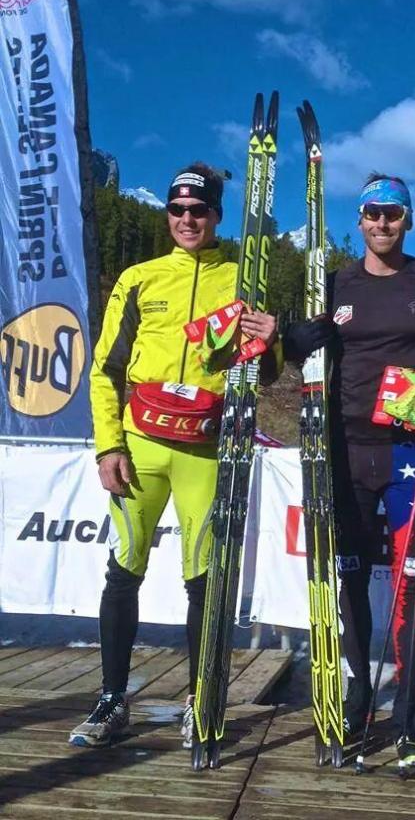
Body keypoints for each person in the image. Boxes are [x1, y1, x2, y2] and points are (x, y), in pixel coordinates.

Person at [69, 162, 280, 748]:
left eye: (199, 210)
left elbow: (266, 372)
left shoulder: (242, 279)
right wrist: (108, 445)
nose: (187, 219)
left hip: (205, 449)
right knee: (124, 568)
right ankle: (112, 701)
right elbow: (106, 370)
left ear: (216, 216)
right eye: (177, 209)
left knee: (203, 578)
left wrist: (270, 340)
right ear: (168, 214)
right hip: (141, 444)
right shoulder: (139, 278)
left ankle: (200, 698)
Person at [284, 174, 415, 770]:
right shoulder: (334, 283)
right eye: (372, 213)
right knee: (351, 578)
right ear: (359, 220)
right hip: (343, 448)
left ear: (407, 220)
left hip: (407, 449)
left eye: (393, 213)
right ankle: (358, 696)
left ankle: (409, 715)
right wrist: (294, 340)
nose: (382, 222)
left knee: (412, 583)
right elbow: (298, 348)